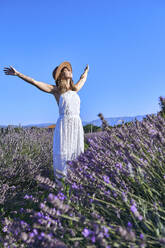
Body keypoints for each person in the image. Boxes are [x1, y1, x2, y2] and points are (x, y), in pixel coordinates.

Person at [3, 61, 89, 187]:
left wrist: (86, 71)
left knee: (76, 153)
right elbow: (34, 82)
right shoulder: (55, 90)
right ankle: (63, 187)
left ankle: (78, 184)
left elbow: (83, 78)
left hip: (76, 125)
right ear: (60, 75)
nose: (70, 71)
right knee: (63, 153)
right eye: (66, 69)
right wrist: (18, 74)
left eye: (70, 70)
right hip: (64, 125)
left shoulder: (75, 89)